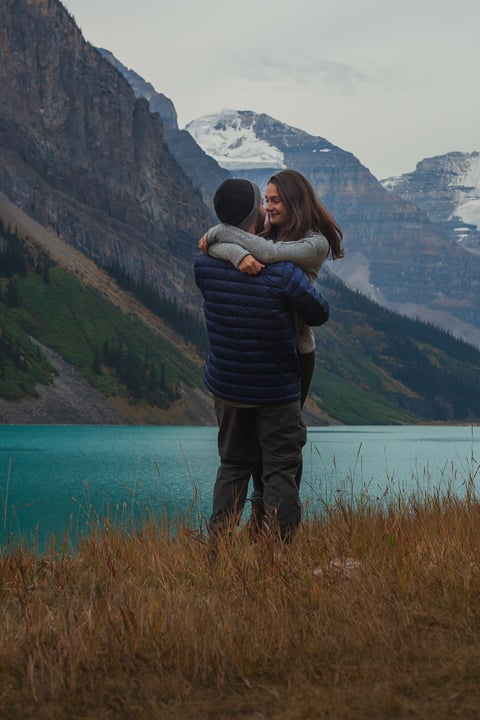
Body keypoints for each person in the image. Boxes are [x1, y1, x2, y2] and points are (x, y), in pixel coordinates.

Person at [199, 169, 343, 526]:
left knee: (280, 444)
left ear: (294, 201)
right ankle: (265, 528)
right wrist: (233, 251)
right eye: (265, 200)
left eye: (276, 199)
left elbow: (265, 253)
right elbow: (240, 248)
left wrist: (219, 235)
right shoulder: (267, 234)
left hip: (294, 352)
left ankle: (267, 529)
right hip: (263, 356)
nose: (268, 206)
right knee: (274, 448)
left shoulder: (314, 243)